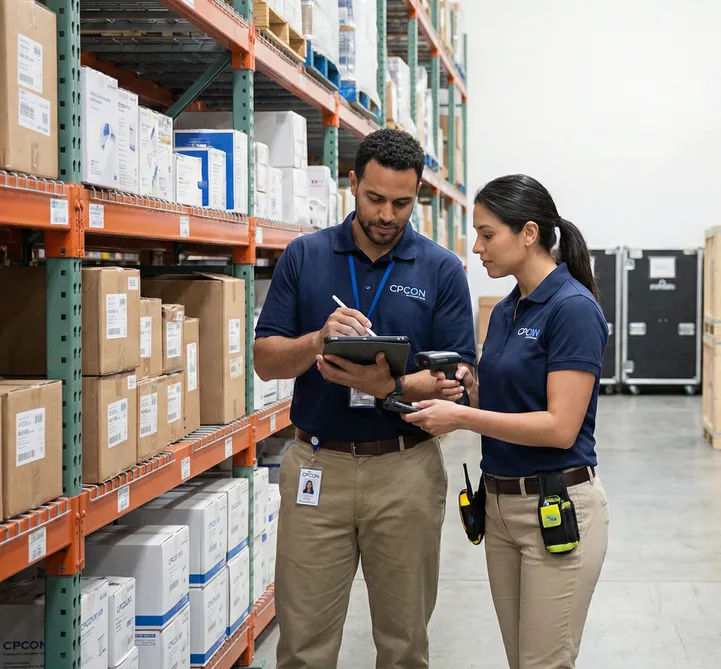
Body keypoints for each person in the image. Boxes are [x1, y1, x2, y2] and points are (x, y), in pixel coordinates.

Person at [252, 128, 477, 669]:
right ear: (353, 184)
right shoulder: (305, 256)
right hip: (316, 467)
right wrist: (317, 341)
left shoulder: (441, 269)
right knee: (303, 647)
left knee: (403, 648)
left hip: (405, 472)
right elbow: (264, 360)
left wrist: (386, 387)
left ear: (417, 195)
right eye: (375, 198)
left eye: (402, 203)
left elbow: (458, 380)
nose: (387, 215)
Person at [401, 174, 609, 669]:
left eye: (487, 234)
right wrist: (469, 390)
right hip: (501, 507)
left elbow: (560, 427)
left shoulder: (573, 309)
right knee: (522, 661)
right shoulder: (506, 309)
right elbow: (514, 398)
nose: (476, 247)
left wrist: (463, 416)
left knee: (544, 662)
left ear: (529, 233)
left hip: (555, 506)